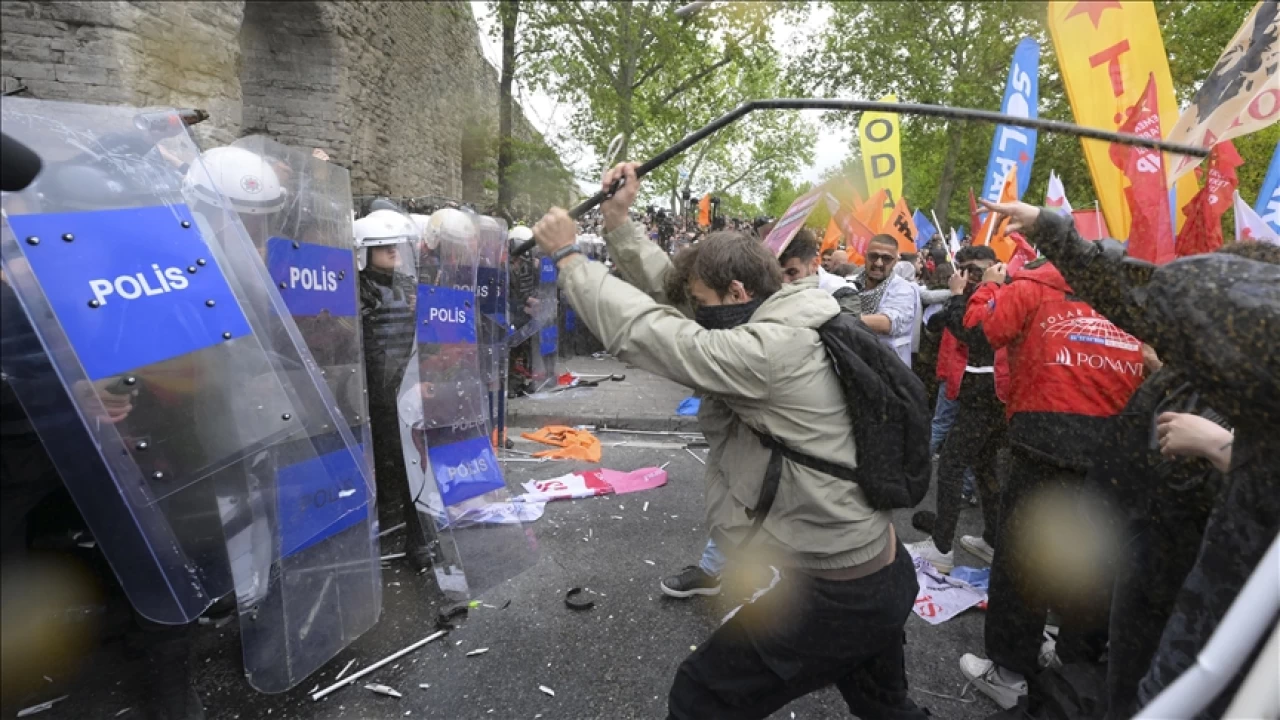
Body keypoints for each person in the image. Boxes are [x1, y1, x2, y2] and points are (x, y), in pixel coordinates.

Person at [536, 162, 927, 720]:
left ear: (739, 290)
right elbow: (675, 298)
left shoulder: (765, 355)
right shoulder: (792, 313)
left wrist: (571, 259)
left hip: (838, 597)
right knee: (885, 707)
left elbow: (648, 331)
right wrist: (620, 223)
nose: (695, 313)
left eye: (702, 301)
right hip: (879, 573)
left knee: (702, 698)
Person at [982, 199, 1279, 720]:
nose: (1201, 333)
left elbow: (1168, 297)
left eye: (1219, 325)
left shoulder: (1249, 383)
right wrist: (1054, 230)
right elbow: (1139, 299)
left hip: (1208, 605)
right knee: (1104, 666)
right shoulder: (1200, 367)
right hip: (1138, 555)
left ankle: (1045, 677)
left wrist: (1219, 446)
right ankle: (1064, 682)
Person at [953, 240, 1146, 709]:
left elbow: (982, 334)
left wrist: (987, 289)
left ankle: (1010, 670)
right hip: (1113, 445)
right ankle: (1072, 664)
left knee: (1023, 557)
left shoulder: (1032, 285)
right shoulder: (1125, 296)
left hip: (1046, 436)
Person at [660, 228, 861, 599]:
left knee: (766, 503)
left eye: (791, 274)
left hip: (813, 501)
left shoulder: (777, 341)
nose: (781, 285)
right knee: (743, 492)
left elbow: (649, 336)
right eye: (777, 271)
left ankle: (774, 582)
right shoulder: (762, 322)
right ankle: (717, 571)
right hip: (760, 450)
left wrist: (573, 264)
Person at [906, 245, 1006, 573]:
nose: (968, 278)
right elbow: (942, 326)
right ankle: (993, 539)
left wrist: (959, 295)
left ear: (996, 268)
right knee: (984, 467)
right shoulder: (977, 294)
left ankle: (941, 547)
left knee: (951, 465)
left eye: (977, 271)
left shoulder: (1002, 294)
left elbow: (973, 333)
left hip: (988, 395)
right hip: (980, 391)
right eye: (963, 270)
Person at [356, 209, 435, 571]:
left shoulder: (407, 285)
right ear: (364, 251)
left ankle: (417, 538)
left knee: (409, 463)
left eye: (395, 245)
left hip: (406, 386)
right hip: (368, 389)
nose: (393, 252)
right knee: (379, 464)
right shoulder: (355, 286)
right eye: (383, 247)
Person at [858, 235, 920, 367]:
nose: (878, 263)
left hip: (888, 370)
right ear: (865, 256)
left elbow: (889, 323)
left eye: (886, 258)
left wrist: (845, 318)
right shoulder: (850, 282)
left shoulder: (904, 289)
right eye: (873, 256)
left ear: (895, 261)